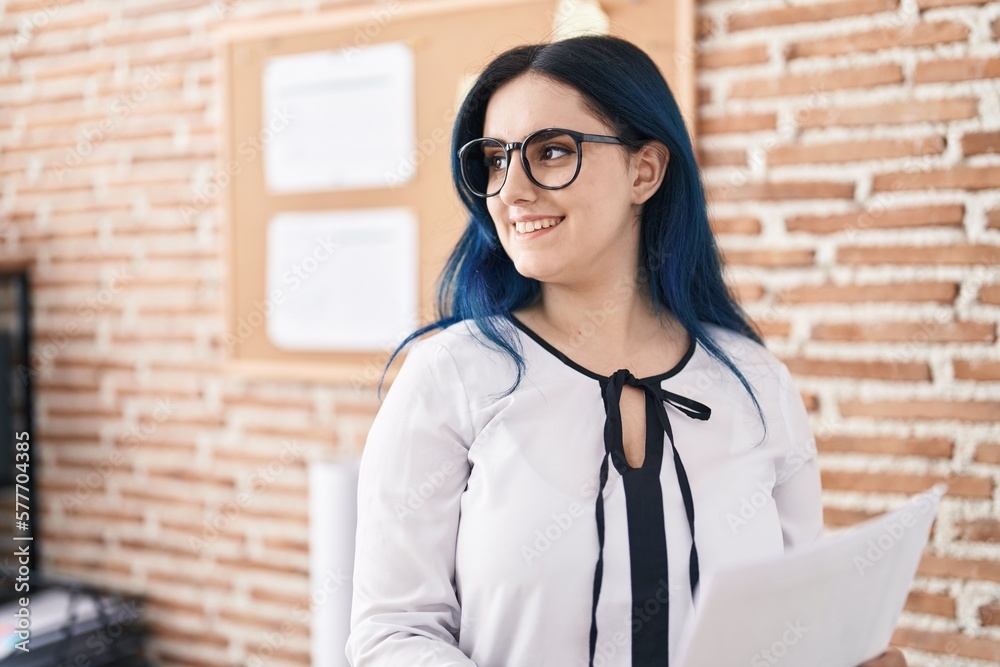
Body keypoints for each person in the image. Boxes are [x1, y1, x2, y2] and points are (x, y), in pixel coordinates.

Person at [345, 34, 907, 667]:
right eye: (496, 161)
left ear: (645, 170)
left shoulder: (756, 382)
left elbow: (794, 622)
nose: (512, 191)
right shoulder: (450, 377)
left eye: (552, 152)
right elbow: (393, 634)